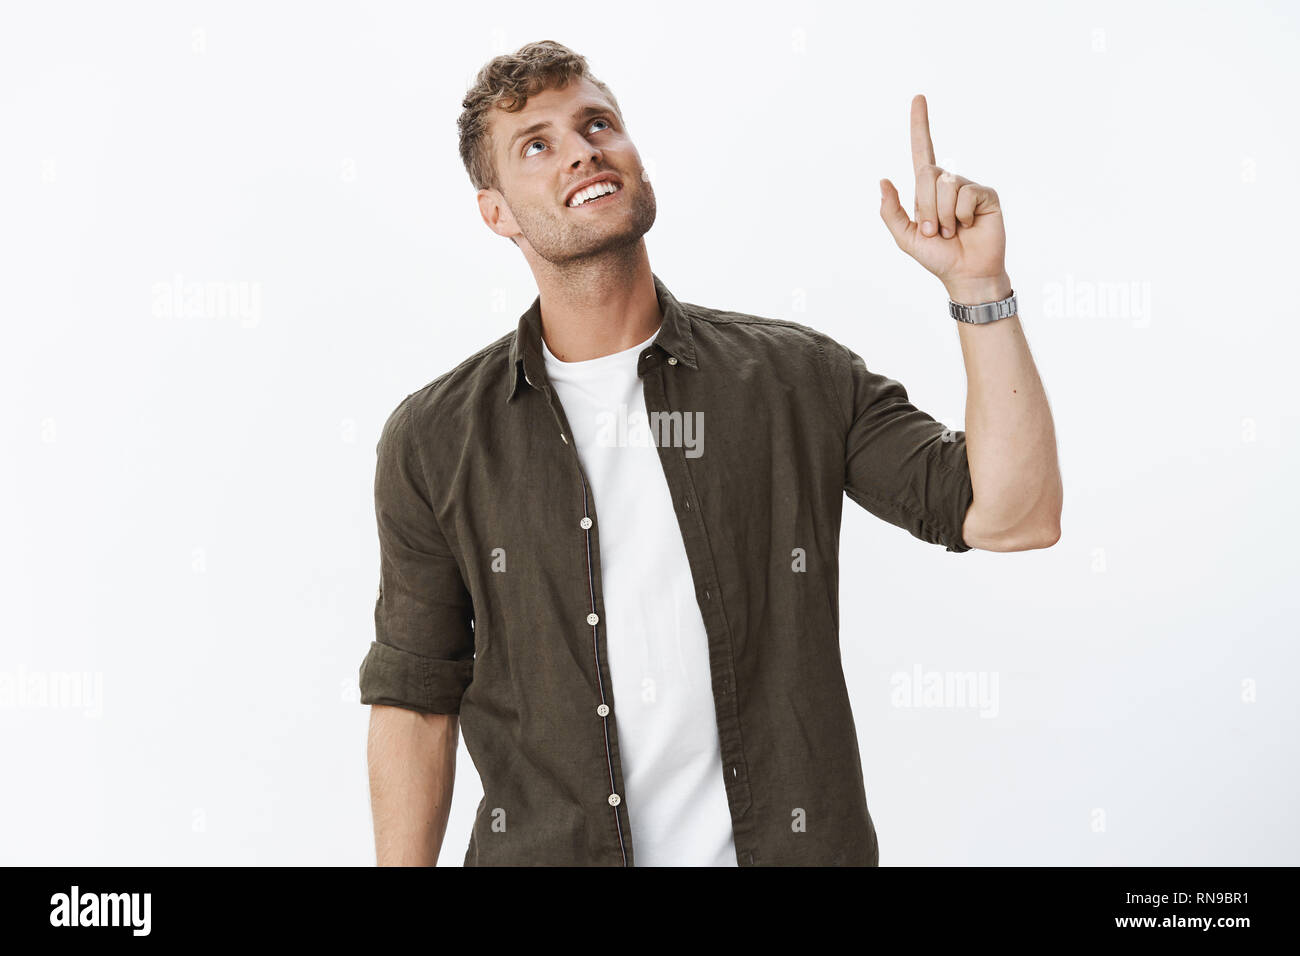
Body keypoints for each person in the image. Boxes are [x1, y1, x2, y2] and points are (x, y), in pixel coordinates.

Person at [360, 40, 1062, 866]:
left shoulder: (794, 378)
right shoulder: (437, 440)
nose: (584, 149)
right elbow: (416, 700)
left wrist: (979, 288)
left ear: (636, 160)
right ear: (497, 212)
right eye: (538, 144)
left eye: (599, 124)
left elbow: (1015, 516)